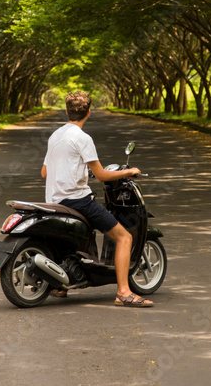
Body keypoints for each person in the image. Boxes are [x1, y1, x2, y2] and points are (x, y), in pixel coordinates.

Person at [40, 90, 154, 307]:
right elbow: (101, 175)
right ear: (88, 113)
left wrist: (77, 170)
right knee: (124, 237)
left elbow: (45, 173)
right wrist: (128, 172)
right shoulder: (83, 138)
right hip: (77, 200)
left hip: (54, 200)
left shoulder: (56, 135)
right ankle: (123, 292)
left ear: (67, 112)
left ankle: (60, 285)